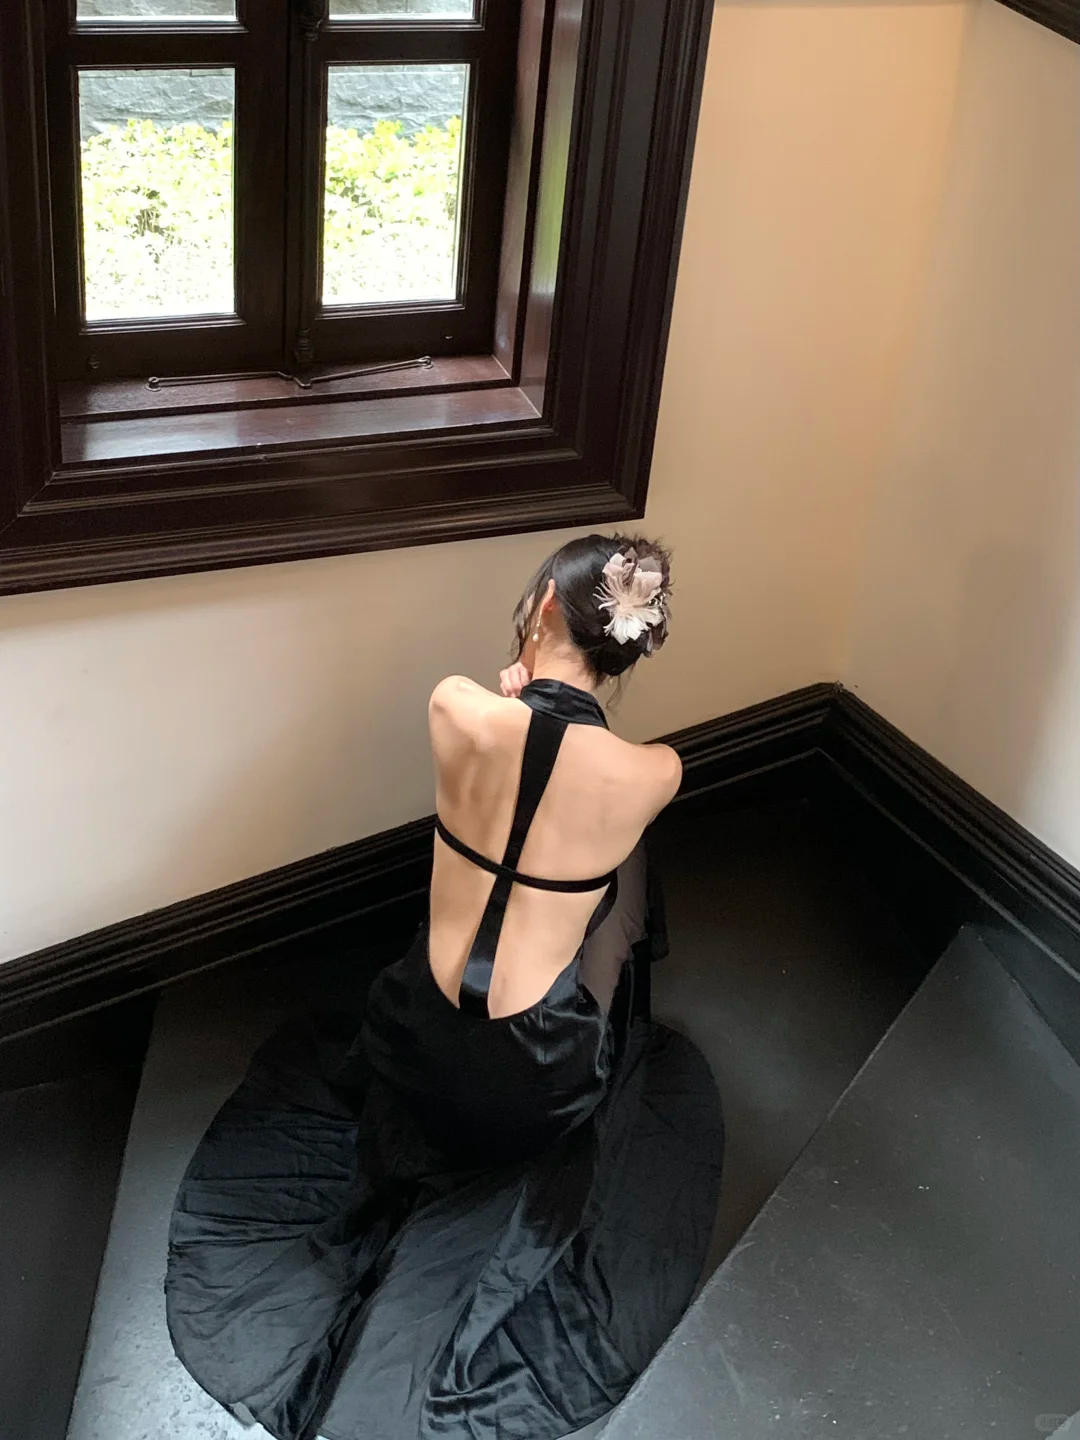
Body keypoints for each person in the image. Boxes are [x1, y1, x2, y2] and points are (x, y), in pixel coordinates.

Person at [165, 533, 725, 1440]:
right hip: (533, 1087)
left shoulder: (456, 705)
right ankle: (623, 1009)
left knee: (498, 886)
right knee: (621, 876)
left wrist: (512, 696)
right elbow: (572, 783)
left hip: (411, 1041)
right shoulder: (656, 771)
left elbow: (514, 751)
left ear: (547, 607)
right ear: (628, 644)